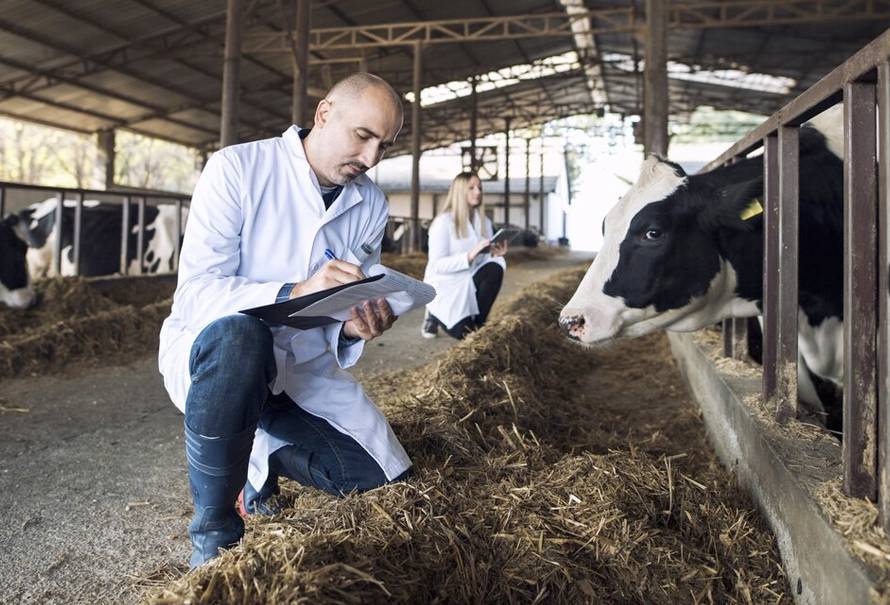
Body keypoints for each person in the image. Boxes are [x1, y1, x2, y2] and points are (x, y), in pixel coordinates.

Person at [158, 73, 412, 568]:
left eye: (384, 144)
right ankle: (214, 532)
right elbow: (195, 293)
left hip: (300, 369)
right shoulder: (238, 168)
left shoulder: (371, 204)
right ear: (324, 113)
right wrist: (292, 291)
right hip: (220, 362)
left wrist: (353, 325)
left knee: (379, 476)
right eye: (363, 136)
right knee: (240, 336)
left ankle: (262, 453)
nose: (371, 158)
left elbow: (343, 303)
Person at [421, 172, 507, 340]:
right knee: (462, 334)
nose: (478, 192)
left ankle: (479, 322)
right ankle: (433, 312)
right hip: (446, 285)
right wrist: (468, 256)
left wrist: (494, 254)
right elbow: (437, 265)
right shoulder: (443, 222)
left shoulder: (484, 222)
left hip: (469, 279)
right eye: (471, 188)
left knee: (495, 267)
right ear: (460, 191)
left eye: (480, 188)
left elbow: (484, 259)